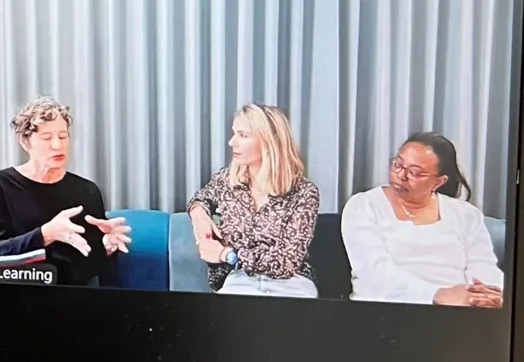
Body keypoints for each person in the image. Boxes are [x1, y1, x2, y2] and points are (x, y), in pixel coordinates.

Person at [0, 97, 132, 287]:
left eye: (63, 136)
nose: (57, 145)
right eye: (47, 138)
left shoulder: (87, 190)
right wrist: (45, 234)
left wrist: (107, 247)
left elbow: (89, 267)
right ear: (25, 142)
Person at [342, 133, 504, 307]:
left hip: (459, 310)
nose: (400, 175)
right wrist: (437, 295)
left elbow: (484, 267)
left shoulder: (466, 215)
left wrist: (488, 296)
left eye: (415, 173)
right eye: (397, 164)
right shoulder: (364, 205)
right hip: (387, 309)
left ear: (439, 182)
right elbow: (372, 274)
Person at [187, 105, 320, 297]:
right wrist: (198, 214)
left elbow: (286, 262)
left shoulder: (304, 192)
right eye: (234, 134)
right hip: (239, 281)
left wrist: (227, 255)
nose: (232, 142)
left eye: (243, 135)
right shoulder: (225, 181)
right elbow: (199, 199)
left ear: (268, 142)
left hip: (291, 283)